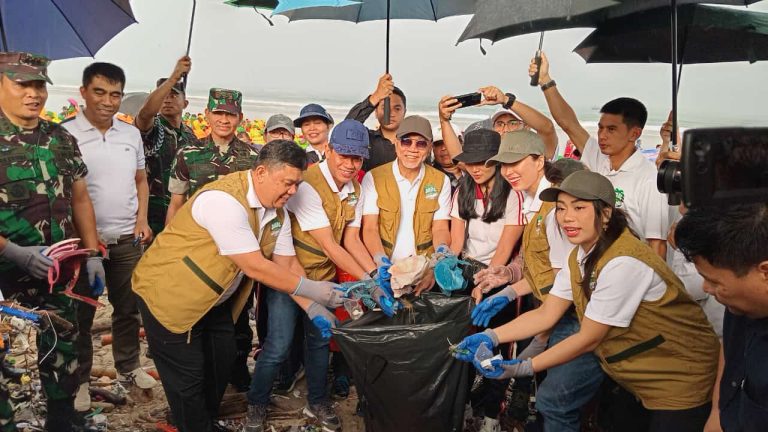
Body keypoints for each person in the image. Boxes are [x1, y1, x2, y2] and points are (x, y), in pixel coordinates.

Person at [457, 171, 720, 432]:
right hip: (640, 377)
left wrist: (523, 366)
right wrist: (491, 336)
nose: (566, 217)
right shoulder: (580, 257)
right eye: (560, 209)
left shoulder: (623, 261)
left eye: (579, 207)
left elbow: (589, 338)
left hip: (680, 377)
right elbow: (546, 314)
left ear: (605, 213)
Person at [131, 141, 344, 432]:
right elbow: (254, 265)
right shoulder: (224, 201)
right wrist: (314, 289)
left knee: (221, 363)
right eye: (287, 183)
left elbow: (287, 264)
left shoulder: (276, 213)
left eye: (298, 184)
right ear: (260, 172)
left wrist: (313, 307)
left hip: (215, 301)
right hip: (170, 296)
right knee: (189, 379)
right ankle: (192, 424)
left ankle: (201, 420)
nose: (293, 191)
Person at [246, 120, 388, 432]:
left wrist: (374, 277)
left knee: (321, 341)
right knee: (278, 344)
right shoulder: (307, 184)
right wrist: (369, 284)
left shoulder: (357, 189)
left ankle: (317, 401)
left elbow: (350, 240)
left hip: (324, 275)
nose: (350, 165)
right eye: (344, 155)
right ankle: (256, 402)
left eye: (357, 158)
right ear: (329, 150)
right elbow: (329, 244)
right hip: (289, 274)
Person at [0, 51, 104, 431]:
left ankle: (63, 418)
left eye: (39, 84)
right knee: (6, 357)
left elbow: (80, 197)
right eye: (22, 83)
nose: (33, 93)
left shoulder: (60, 137)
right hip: (5, 273)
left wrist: (91, 253)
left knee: (62, 344)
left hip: (57, 269)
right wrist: (13, 252)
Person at [470, 131, 597, 432]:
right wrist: (508, 277)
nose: (508, 171)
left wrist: (532, 343)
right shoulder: (530, 199)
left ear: (539, 160)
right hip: (554, 308)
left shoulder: (558, 206)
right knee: (550, 395)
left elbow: (566, 277)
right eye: (503, 164)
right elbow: (537, 262)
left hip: (576, 314)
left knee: (557, 400)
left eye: (516, 162)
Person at [61, 62, 157, 411]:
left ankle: (129, 367)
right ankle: (81, 381)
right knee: (82, 314)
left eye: (115, 94)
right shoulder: (64, 134)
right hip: (83, 245)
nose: (108, 101)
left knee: (128, 308)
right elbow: (64, 195)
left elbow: (141, 181)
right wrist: (83, 240)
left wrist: (143, 219)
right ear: (84, 92)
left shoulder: (130, 134)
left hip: (127, 238)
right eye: (100, 92)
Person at [530, 52, 669, 258]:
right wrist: (545, 81)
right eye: (600, 128)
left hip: (631, 268)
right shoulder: (599, 159)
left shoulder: (649, 179)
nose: (602, 135)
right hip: (596, 262)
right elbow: (568, 124)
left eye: (611, 129)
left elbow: (657, 245)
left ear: (635, 133)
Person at [448, 128, 525, 431]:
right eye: (470, 161)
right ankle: (466, 404)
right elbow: (456, 242)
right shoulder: (462, 189)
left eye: (484, 161)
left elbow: (505, 250)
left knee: (496, 345)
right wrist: (444, 265)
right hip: (467, 269)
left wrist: (485, 285)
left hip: (500, 275)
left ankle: (492, 413)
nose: (476, 168)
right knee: (464, 343)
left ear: (498, 161)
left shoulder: (514, 195)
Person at [675, 203, 768, 432]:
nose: (706, 288)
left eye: (715, 281)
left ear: (764, 271)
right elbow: (731, 349)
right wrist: (717, 412)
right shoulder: (739, 305)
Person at [361, 115, 451, 295]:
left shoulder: (441, 180)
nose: (413, 149)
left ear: (430, 147)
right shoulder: (374, 177)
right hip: (386, 269)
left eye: (421, 143)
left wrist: (436, 263)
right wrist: (380, 262)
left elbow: (440, 227)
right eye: (406, 141)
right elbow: (370, 228)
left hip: (423, 271)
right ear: (396, 143)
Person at [165, 88, 259, 223]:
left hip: (237, 235)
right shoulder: (187, 154)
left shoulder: (254, 157)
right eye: (218, 113)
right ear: (207, 114)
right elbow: (176, 204)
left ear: (240, 118)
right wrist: (170, 242)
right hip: (195, 234)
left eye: (231, 114)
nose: (224, 120)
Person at [134, 56, 196, 235]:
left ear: (185, 103)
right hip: (148, 214)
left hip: (179, 214)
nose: (167, 99)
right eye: (164, 95)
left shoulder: (191, 136)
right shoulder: (152, 128)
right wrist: (174, 78)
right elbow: (145, 114)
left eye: (174, 95)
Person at [438, 85, 558, 161]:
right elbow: (458, 157)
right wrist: (444, 120)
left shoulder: (536, 155)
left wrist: (506, 100)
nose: (505, 129)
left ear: (526, 126)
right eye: (499, 124)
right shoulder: (490, 163)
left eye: (513, 123)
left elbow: (547, 128)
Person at [346, 73, 407, 171]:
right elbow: (346, 127)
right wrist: (376, 96)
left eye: (397, 108)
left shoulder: (413, 144)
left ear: (404, 112)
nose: (390, 113)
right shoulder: (366, 138)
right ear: (375, 111)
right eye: (385, 108)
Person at [431, 125, 463, 194]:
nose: (443, 148)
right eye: (438, 144)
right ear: (432, 148)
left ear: (461, 143)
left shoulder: (474, 171)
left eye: (448, 142)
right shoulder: (428, 176)